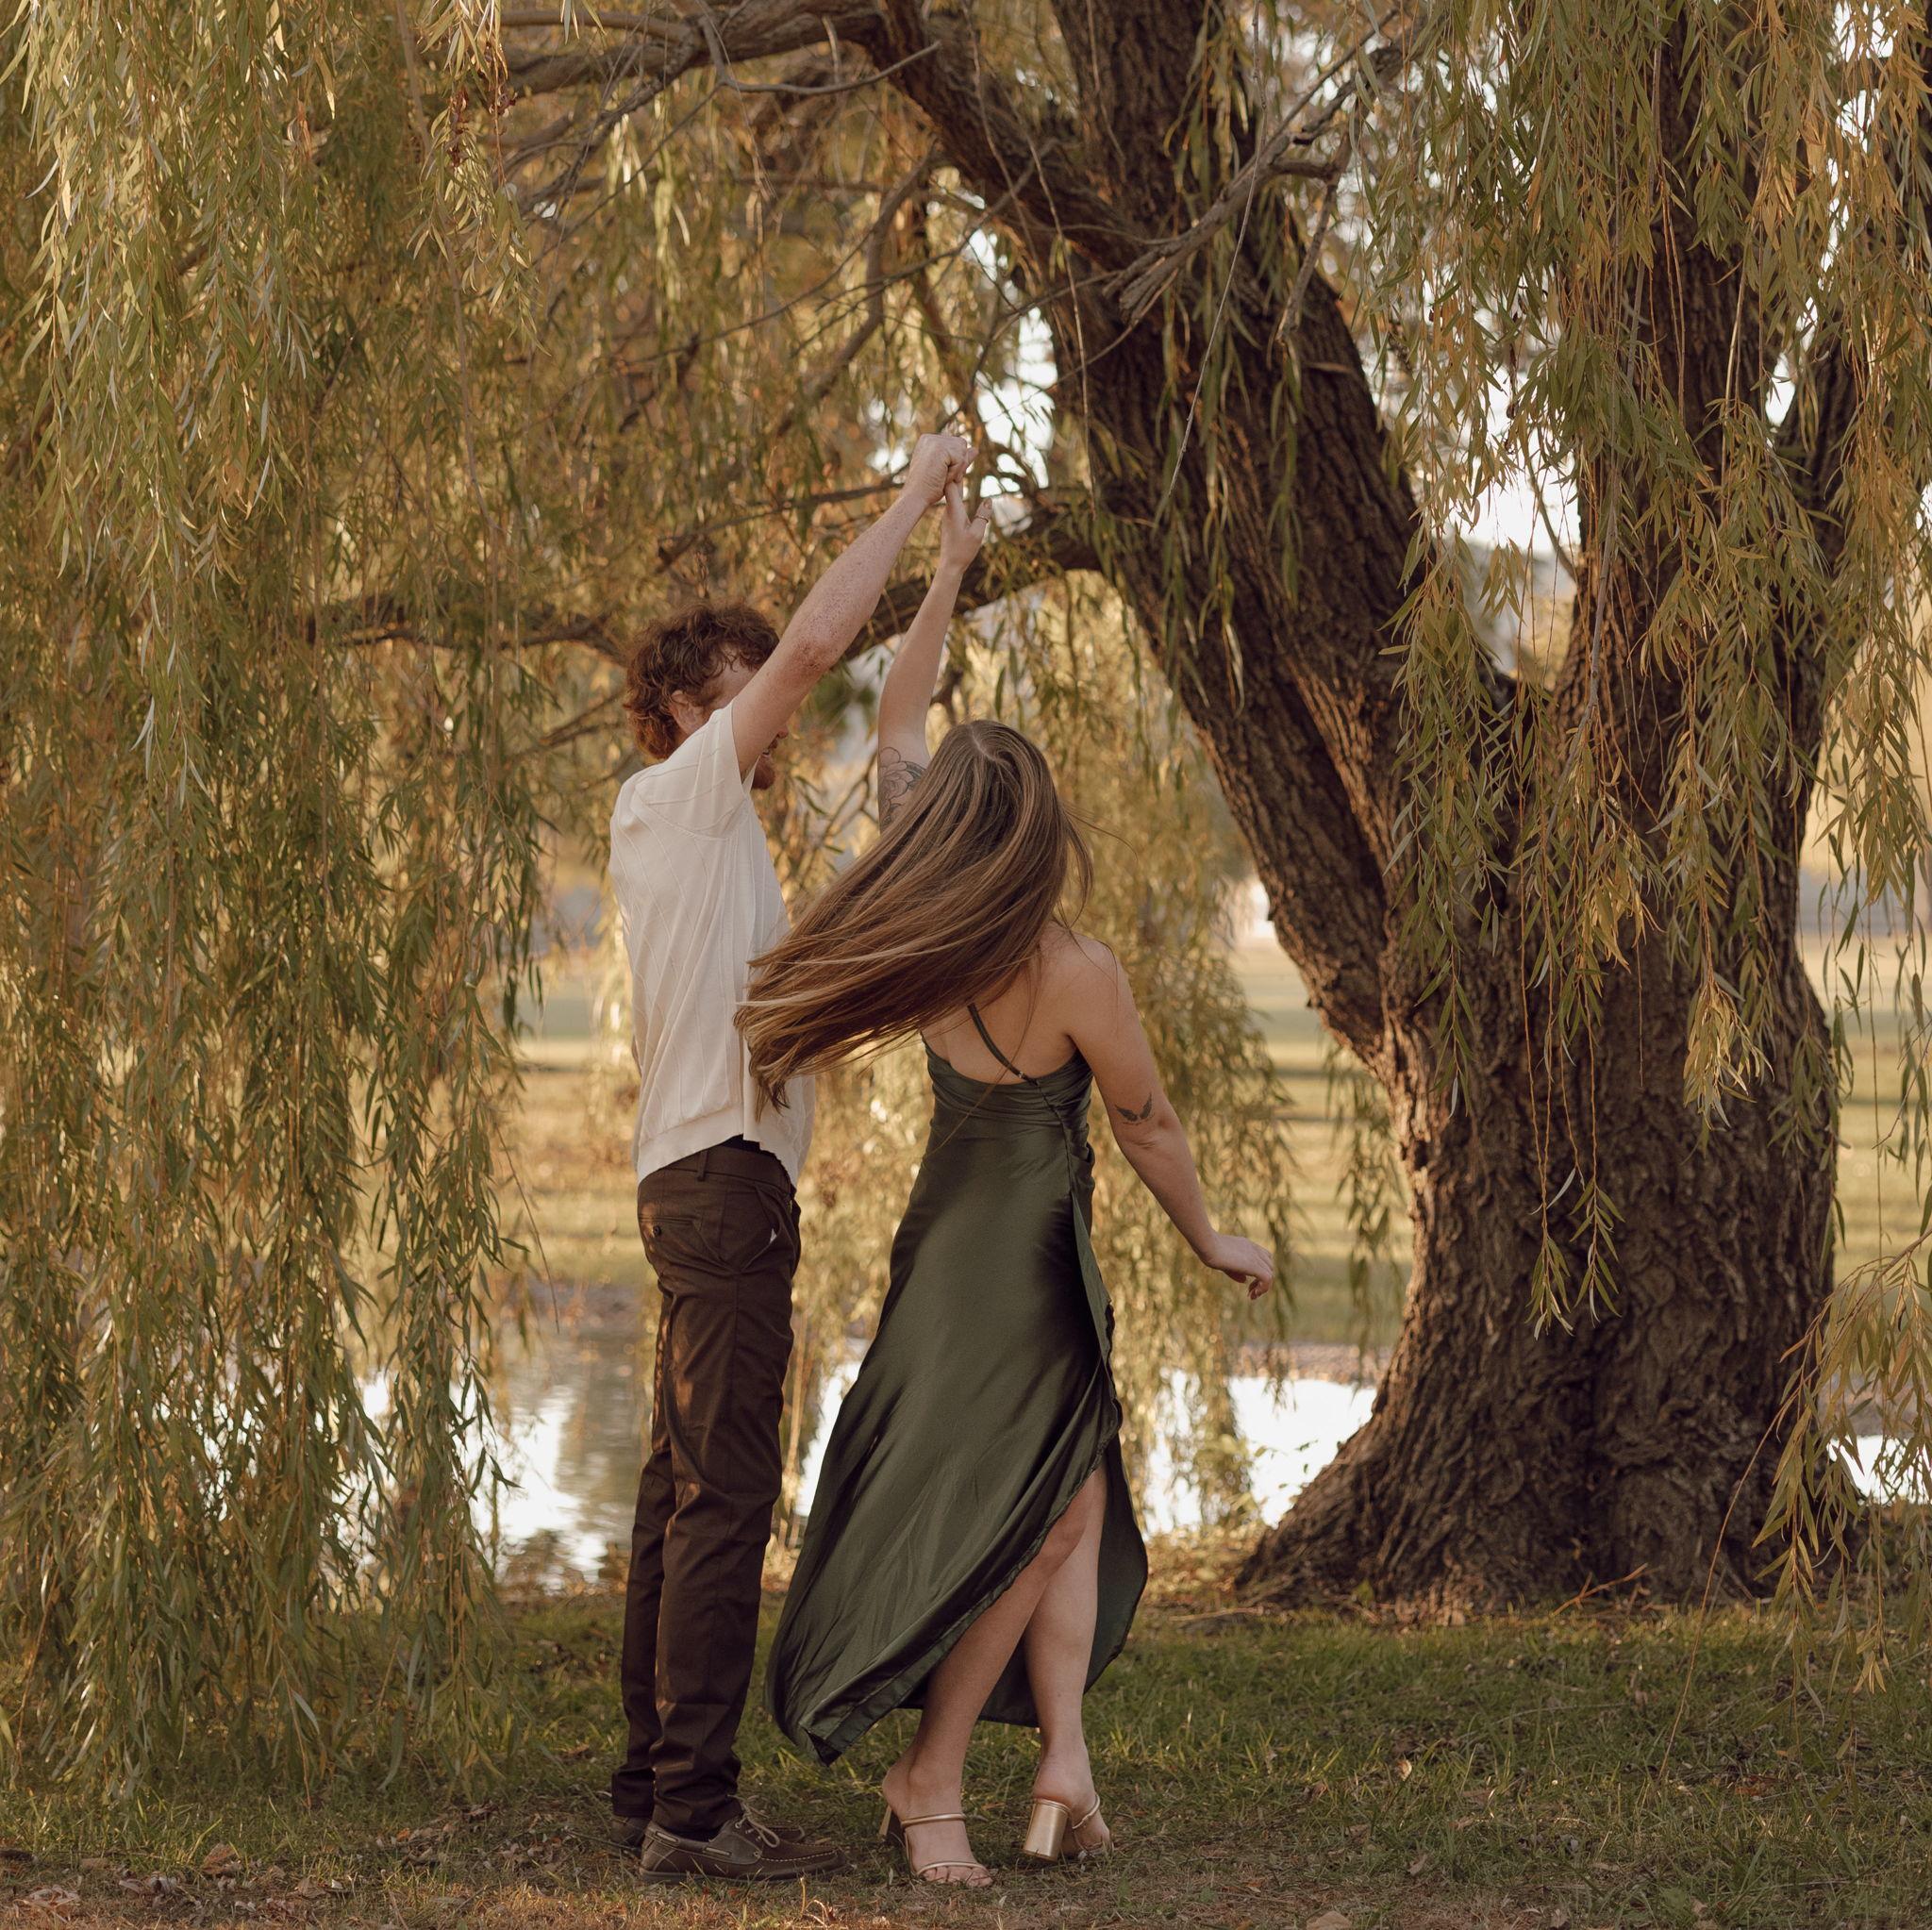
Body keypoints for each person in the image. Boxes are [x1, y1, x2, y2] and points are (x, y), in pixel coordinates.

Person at [740, 481, 1276, 1887]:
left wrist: (944, 575)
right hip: (1032, 1264)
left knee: (1076, 1495)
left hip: (943, 1244)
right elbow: (1149, 1127)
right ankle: (930, 1780)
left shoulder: (920, 921)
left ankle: (1062, 1771)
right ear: (1037, 831)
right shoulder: (1074, 971)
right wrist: (1212, 1237)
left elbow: (897, 722)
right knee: (1036, 1516)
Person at [607, 429, 974, 1884]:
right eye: (742, 687)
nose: (773, 710)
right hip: (720, 1186)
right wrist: (917, 485)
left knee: (679, 1486)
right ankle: (692, 1808)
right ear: (686, 707)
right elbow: (823, 644)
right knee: (724, 1494)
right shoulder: (682, 794)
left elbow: (881, 707)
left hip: (701, 1184)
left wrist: (944, 574)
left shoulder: (712, 848)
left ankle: (654, 1784)